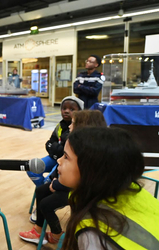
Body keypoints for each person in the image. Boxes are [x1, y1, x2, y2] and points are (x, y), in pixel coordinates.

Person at [59, 127, 159, 249]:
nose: (59, 161)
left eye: (66, 157)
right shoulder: (132, 190)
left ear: (92, 170)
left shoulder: (92, 233)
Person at [19, 110, 107, 246]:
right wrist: (54, 180)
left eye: (72, 123)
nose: (70, 126)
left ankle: (56, 234)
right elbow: (59, 161)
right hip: (69, 185)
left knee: (46, 204)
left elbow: (80, 180)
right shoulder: (72, 140)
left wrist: (57, 185)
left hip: (82, 191)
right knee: (41, 190)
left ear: (83, 126)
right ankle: (38, 230)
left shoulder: (89, 151)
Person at [27, 96, 84, 189]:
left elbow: (65, 151)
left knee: (48, 181)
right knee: (31, 169)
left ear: (80, 112)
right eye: (64, 108)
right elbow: (49, 143)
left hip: (66, 163)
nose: (66, 111)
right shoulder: (59, 125)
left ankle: (45, 191)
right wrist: (55, 149)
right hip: (54, 158)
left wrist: (55, 147)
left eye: (72, 109)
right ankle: (44, 190)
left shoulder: (79, 129)